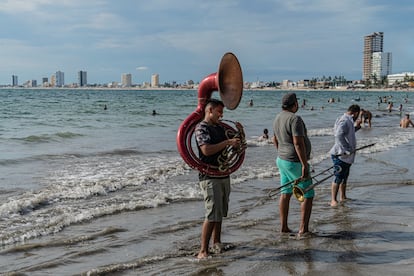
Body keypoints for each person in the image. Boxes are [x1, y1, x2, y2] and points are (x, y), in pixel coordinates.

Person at [194, 98, 244, 259]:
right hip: (209, 175)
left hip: (223, 173)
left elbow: (236, 148)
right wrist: (228, 141)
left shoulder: (220, 128)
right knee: (212, 213)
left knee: (220, 211)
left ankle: (217, 242)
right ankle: (203, 250)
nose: (221, 115)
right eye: (219, 112)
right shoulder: (201, 128)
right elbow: (206, 150)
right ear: (210, 111)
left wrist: (239, 137)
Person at [272, 93, 313, 235]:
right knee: (308, 194)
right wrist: (304, 165)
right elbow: (298, 143)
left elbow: (274, 139)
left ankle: (283, 227)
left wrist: (281, 152)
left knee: (286, 193)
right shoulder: (295, 119)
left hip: (282, 160)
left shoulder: (277, 117)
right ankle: (303, 229)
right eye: (297, 103)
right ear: (294, 104)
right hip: (294, 162)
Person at [329, 104, 362, 207]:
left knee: (345, 176)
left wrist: (357, 127)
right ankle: (333, 200)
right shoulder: (344, 120)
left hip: (346, 156)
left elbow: (348, 132)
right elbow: (338, 135)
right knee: (338, 177)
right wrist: (347, 148)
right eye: (358, 114)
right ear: (355, 113)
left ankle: (343, 196)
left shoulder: (349, 120)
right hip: (340, 154)